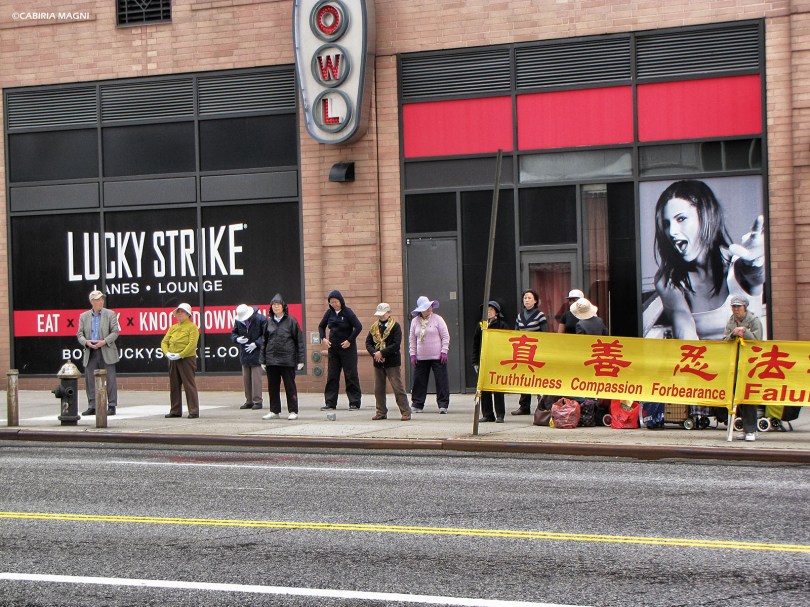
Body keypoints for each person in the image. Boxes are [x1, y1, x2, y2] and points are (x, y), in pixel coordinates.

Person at [653, 179, 765, 340]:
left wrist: (757, 262)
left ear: (705, 216)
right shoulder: (668, 281)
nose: (671, 231)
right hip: (705, 363)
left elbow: (755, 276)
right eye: (666, 223)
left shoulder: (738, 265)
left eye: (681, 219)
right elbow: (683, 327)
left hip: (750, 363)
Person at [722, 294, 763, 442]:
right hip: (735, 363)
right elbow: (724, 340)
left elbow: (758, 342)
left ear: (745, 307)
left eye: (738, 306)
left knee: (748, 397)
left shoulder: (754, 321)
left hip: (750, 364)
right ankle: (745, 428)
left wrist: (745, 333)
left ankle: (752, 429)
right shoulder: (731, 321)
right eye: (733, 306)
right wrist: (733, 334)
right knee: (737, 397)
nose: (736, 309)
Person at [261, 293, 305, 420]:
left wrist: (300, 359)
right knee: (272, 387)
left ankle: (293, 410)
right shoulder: (268, 322)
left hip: (287, 360)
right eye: (273, 305)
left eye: (278, 305)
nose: (275, 307)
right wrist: (262, 360)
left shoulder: (292, 321)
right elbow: (264, 341)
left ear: (283, 306)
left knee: (290, 386)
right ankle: (274, 411)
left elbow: (299, 342)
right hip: (271, 360)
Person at [76, 290, 120, 416]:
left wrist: (104, 341)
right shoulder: (84, 316)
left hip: (106, 349)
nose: (101, 302)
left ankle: (112, 405)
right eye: (97, 300)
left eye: (101, 299)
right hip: (90, 350)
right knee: (90, 379)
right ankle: (92, 406)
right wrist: (86, 342)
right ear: (92, 302)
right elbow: (79, 334)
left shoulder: (110, 314)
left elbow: (115, 332)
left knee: (110, 379)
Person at [365, 302, 411, 421]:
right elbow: (368, 343)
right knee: (378, 388)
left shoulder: (395, 327)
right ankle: (381, 412)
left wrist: (383, 352)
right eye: (379, 314)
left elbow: (396, 344)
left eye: (383, 314)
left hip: (392, 362)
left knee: (397, 387)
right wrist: (375, 353)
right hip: (378, 362)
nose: (381, 316)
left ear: (389, 313)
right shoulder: (374, 327)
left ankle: (405, 411)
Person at [318, 290, 363, 411]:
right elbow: (321, 326)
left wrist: (349, 340)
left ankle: (354, 402)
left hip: (347, 349)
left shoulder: (348, 312)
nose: (334, 304)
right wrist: (323, 338)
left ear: (341, 301)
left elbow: (358, 326)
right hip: (333, 349)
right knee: (332, 375)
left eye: (336, 302)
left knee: (350, 375)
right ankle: (330, 402)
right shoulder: (329, 313)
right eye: (331, 302)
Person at [409, 296, 450, 414]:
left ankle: (443, 404)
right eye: (426, 307)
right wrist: (413, 354)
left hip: (437, 357)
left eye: (430, 307)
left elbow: (445, 336)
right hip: (421, 357)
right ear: (420, 310)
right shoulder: (414, 322)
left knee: (441, 380)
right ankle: (417, 404)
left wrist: (444, 351)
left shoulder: (438, 319)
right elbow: (412, 339)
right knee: (419, 381)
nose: (429, 309)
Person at [160, 303, 200, 419]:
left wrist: (181, 354)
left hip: (187, 358)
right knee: (174, 385)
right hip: (173, 358)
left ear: (188, 314)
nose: (180, 314)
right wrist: (167, 353)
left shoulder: (192, 327)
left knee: (189, 385)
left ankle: (193, 410)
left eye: (182, 312)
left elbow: (192, 344)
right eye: (178, 312)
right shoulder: (173, 327)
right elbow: (164, 342)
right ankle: (175, 410)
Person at [473, 301, 510, 423]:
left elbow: (507, 344)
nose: (488, 312)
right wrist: (475, 362)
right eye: (486, 310)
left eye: (491, 309)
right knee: (484, 389)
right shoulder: (480, 326)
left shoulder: (502, 325)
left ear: (496, 312)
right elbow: (476, 345)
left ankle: (500, 414)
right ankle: (487, 414)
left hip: (497, 361)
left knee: (497, 389)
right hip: (483, 360)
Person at [512, 289, 547, 415]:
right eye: (525, 298)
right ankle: (524, 406)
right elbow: (516, 333)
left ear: (535, 301)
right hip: (523, 352)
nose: (526, 300)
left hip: (536, 352)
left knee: (538, 379)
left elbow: (545, 335)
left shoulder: (540, 315)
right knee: (524, 379)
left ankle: (541, 406)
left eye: (529, 298)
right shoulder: (519, 316)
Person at [232, 304, 267, 411]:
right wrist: (237, 339)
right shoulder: (238, 321)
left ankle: (257, 401)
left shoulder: (261, 319)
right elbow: (234, 333)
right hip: (245, 352)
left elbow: (266, 335)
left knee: (256, 379)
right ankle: (249, 401)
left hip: (256, 352)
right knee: (246, 378)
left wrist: (256, 343)